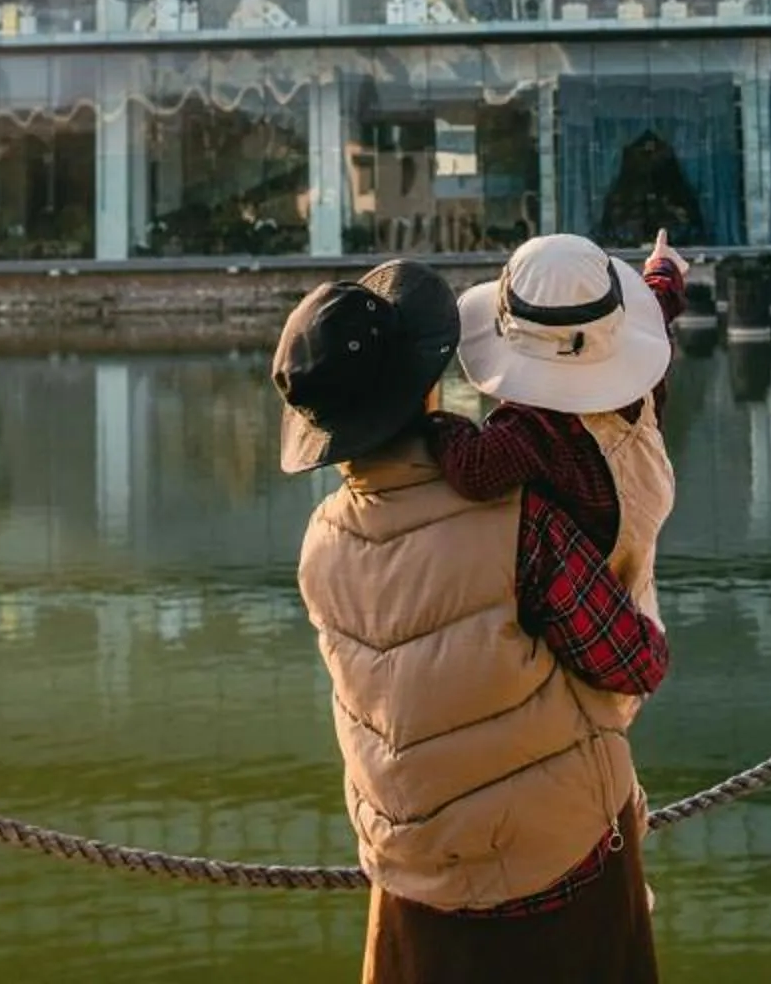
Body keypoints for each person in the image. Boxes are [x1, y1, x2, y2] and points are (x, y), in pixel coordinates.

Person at [276, 261, 670, 983]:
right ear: (425, 385)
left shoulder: (320, 544)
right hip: (562, 869)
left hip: (413, 877)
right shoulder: (516, 513)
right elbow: (632, 663)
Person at [433, 232, 683, 642]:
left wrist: (436, 422)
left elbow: (472, 470)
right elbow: (658, 306)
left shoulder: (534, 431)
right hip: (632, 614)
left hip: (570, 637)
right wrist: (664, 268)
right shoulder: (643, 387)